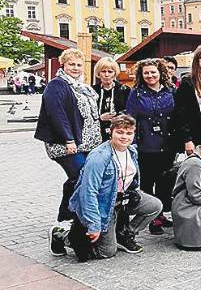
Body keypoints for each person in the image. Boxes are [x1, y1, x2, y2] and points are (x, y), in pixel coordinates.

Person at [49, 115, 163, 260]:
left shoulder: (132, 151)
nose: (124, 137)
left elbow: (129, 179)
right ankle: (61, 235)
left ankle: (125, 234)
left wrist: (133, 193)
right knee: (107, 252)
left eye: (129, 133)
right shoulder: (99, 157)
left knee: (154, 205)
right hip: (103, 204)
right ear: (111, 132)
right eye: (120, 132)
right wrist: (94, 225)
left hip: (121, 199)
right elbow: (88, 192)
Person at [35, 49, 101, 222]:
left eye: (79, 65)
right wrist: (68, 139)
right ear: (63, 64)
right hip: (66, 144)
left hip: (87, 143)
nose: (76, 68)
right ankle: (67, 215)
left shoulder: (82, 86)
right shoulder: (57, 85)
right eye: (72, 64)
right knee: (80, 175)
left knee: (81, 177)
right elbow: (57, 114)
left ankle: (70, 213)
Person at [125, 58, 176, 234]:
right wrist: (131, 143)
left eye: (153, 72)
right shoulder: (136, 93)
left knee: (164, 181)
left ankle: (161, 214)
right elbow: (130, 118)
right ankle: (151, 216)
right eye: (146, 72)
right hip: (145, 144)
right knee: (147, 182)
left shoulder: (171, 91)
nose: (150, 75)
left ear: (161, 72)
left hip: (167, 144)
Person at [92, 58, 131, 141]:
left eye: (110, 71)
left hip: (120, 131)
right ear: (98, 73)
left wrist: (118, 117)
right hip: (97, 133)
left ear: (115, 73)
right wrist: (100, 118)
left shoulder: (124, 90)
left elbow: (130, 111)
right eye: (103, 71)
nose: (106, 75)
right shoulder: (92, 90)